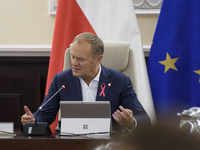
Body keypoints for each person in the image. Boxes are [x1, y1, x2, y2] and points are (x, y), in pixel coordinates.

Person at [21, 32, 150, 133]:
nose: (74, 63)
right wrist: (33, 120)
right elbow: (44, 115)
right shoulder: (61, 81)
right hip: (71, 144)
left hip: (107, 145)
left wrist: (131, 122)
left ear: (98, 59)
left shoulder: (120, 81)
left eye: (81, 59)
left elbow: (144, 119)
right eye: (73, 57)